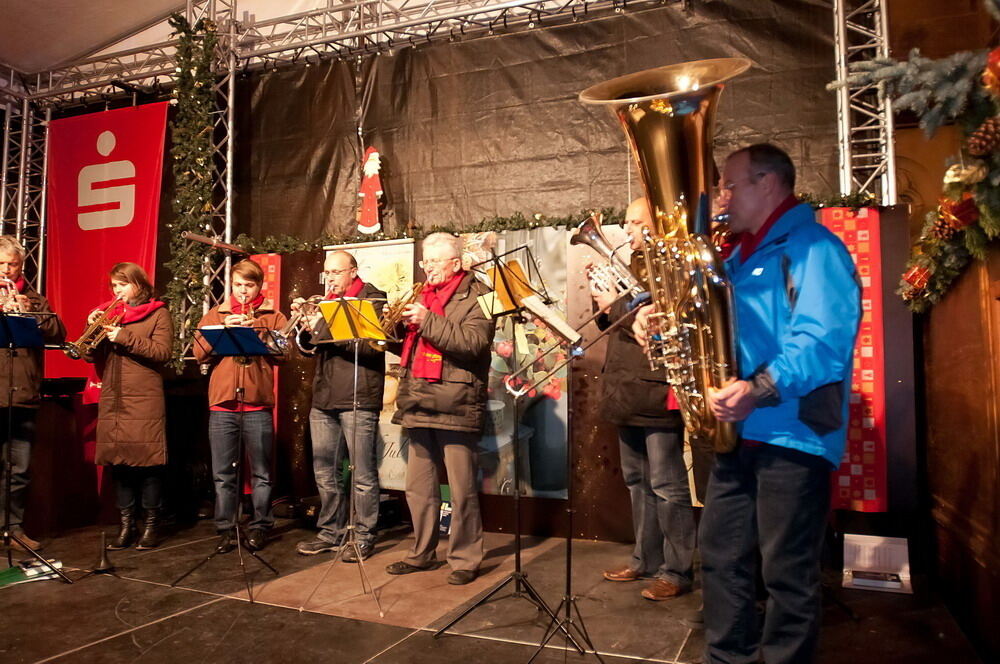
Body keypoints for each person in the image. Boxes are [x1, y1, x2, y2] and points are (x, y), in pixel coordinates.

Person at [700, 143, 860, 663]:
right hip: (740, 432)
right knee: (721, 558)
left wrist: (758, 389)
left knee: (786, 575)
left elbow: (822, 342)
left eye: (730, 184)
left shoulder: (815, 248)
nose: (721, 195)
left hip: (793, 435)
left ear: (767, 183)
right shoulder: (735, 255)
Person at [591, 198, 696, 601]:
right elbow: (615, 322)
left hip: (656, 387)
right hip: (625, 387)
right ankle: (644, 559)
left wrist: (612, 302)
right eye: (628, 220)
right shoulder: (630, 265)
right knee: (637, 482)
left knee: (667, 485)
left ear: (656, 227)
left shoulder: (673, 267)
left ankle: (677, 570)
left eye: (635, 222)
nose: (627, 228)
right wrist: (601, 298)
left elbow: (656, 313)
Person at [384, 232, 495, 585]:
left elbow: (473, 344)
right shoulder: (422, 296)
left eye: (435, 261)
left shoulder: (480, 296)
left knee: (461, 490)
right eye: (425, 261)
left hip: (456, 402)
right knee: (419, 488)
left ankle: (464, 558)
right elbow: (406, 347)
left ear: (456, 263)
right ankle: (421, 553)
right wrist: (395, 328)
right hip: (419, 399)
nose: (428, 268)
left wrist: (426, 320)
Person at [295, 250, 386, 561]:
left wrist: (325, 324)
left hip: (358, 397)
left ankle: (363, 535)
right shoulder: (324, 302)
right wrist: (309, 329)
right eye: (327, 273)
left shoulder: (373, 299)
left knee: (362, 472)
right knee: (324, 471)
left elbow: (370, 347)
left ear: (353, 271)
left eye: (336, 272)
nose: (330, 278)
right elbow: (311, 349)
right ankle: (331, 531)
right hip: (324, 397)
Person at [195, 259, 287, 554]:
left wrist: (256, 333)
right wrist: (222, 328)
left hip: (257, 403)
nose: (243, 291)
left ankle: (260, 526)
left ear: (260, 286)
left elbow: (284, 354)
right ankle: (226, 529)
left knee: (261, 471)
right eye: (238, 285)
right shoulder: (215, 313)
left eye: (249, 285)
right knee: (223, 472)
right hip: (223, 403)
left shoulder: (273, 315)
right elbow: (198, 352)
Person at [88, 262, 173, 550]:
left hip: (145, 397)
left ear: (138, 284)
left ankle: (151, 525)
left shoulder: (158, 312)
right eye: (114, 286)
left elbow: (162, 352)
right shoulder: (112, 314)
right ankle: (126, 526)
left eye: (122, 284)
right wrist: (92, 329)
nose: (117, 291)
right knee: (120, 463)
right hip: (115, 397)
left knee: (147, 463)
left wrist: (124, 337)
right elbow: (89, 356)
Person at [0, 236, 65, 551]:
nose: (7, 270)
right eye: (1, 264)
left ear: (21, 266)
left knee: (19, 470)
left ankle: (13, 530)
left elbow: (59, 333)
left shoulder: (36, 299)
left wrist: (30, 314)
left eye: (12, 264)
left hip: (22, 394)